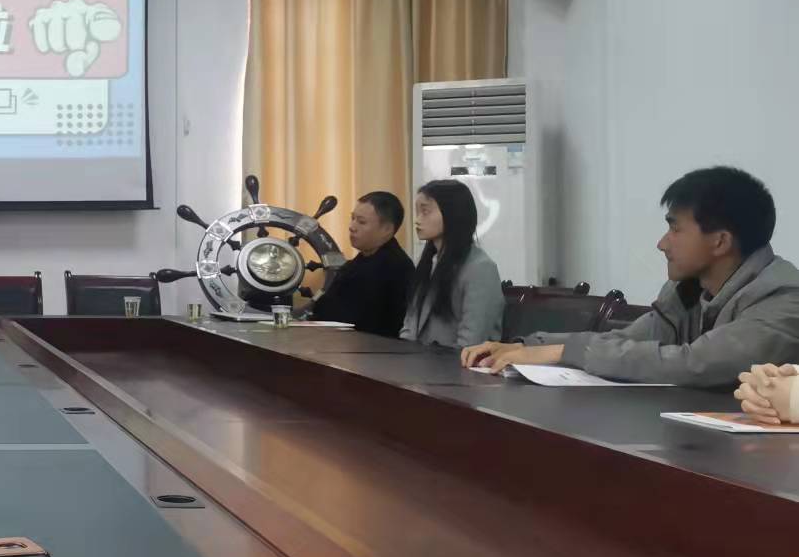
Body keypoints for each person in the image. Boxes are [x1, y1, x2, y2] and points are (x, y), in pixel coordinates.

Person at [465, 167, 799, 388]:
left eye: (675, 229)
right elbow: (626, 340)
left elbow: (695, 363)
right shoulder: (688, 289)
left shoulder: (784, 300)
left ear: (720, 241)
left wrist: (562, 352)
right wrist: (528, 345)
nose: (662, 243)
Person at [400, 178, 503, 349]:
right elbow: (409, 327)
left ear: (452, 213)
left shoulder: (480, 268)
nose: (417, 220)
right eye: (417, 212)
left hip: (457, 363)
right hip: (419, 360)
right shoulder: (427, 262)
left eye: (425, 212)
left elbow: (471, 342)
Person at [307, 191, 414, 337]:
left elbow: (361, 321)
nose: (352, 227)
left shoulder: (395, 268)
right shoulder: (359, 261)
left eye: (361, 222)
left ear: (387, 229)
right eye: (352, 219)